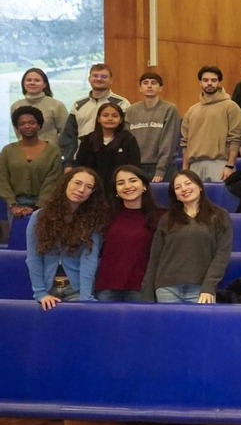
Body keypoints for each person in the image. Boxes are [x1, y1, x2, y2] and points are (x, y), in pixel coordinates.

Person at [141, 169, 232, 303]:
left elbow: (222, 255)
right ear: (175, 195)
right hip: (166, 288)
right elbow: (155, 258)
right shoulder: (166, 220)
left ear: (199, 186)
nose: (184, 189)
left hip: (201, 288)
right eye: (178, 187)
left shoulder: (219, 216)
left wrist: (209, 286)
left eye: (188, 183)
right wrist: (147, 292)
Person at [25, 167, 109, 309]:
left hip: (75, 290)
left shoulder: (94, 220)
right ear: (66, 183)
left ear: (92, 193)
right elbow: (33, 257)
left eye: (88, 187)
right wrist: (40, 293)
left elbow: (89, 259)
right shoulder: (39, 217)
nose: (81, 189)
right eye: (77, 183)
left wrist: (85, 296)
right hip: (47, 289)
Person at [93, 165, 161, 301]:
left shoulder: (160, 217)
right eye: (120, 183)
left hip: (142, 288)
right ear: (116, 190)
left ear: (144, 186)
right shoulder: (105, 216)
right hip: (107, 287)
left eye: (133, 180)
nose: (127, 186)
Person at [1, 107, 64, 226]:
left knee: (41, 241)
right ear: (17, 128)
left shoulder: (52, 150)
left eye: (32, 122)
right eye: (22, 124)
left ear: (39, 125)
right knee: (17, 241)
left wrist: (37, 206)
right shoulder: (8, 150)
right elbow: (2, 179)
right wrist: (13, 205)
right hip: (14, 206)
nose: (27, 126)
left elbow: (52, 180)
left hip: (44, 205)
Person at [181, 67, 241, 182]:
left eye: (213, 80)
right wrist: (185, 169)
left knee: (220, 200)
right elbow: (185, 142)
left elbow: (236, 138)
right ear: (200, 83)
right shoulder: (191, 110)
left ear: (219, 82)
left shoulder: (231, 107)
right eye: (205, 80)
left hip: (220, 164)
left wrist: (230, 165)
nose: (209, 83)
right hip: (194, 166)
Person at [122, 72, 180, 183]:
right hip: (137, 167)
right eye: (145, 83)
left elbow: (168, 142)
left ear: (160, 88)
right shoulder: (131, 110)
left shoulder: (169, 109)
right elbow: (127, 141)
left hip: (162, 167)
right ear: (140, 88)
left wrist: (160, 169)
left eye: (154, 83)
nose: (149, 86)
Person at [63, 63, 127, 163]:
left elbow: (126, 133)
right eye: (95, 76)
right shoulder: (78, 105)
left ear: (111, 80)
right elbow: (69, 136)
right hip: (83, 157)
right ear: (89, 79)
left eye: (104, 76)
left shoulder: (122, 103)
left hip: (113, 158)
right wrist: (68, 162)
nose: (99, 79)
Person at [74, 101, 141, 189]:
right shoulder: (88, 140)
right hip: (92, 187)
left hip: (120, 187)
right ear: (98, 119)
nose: (110, 119)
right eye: (105, 115)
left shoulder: (128, 140)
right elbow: (80, 166)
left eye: (114, 116)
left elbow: (134, 167)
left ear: (121, 120)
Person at [11, 67, 70, 148]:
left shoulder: (57, 105)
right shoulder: (16, 106)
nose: (32, 83)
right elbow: (18, 134)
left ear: (45, 84)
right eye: (29, 80)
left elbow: (66, 133)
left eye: (37, 80)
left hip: (50, 154)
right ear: (23, 83)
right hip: (23, 154)